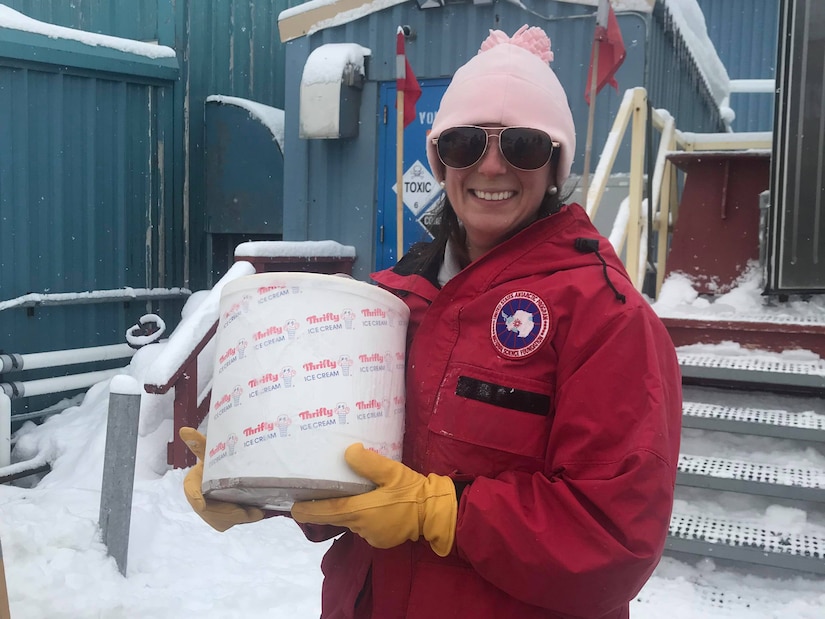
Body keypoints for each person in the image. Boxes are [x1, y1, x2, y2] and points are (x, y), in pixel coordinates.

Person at [180, 24, 682, 619]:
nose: (491, 166)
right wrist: (257, 475)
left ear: (554, 168)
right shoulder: (393, 301)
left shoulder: (605, 317)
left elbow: (614, 537)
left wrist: (440, 511)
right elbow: (346, 473)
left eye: (521, 145)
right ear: (442, 162)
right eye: (466, 143)